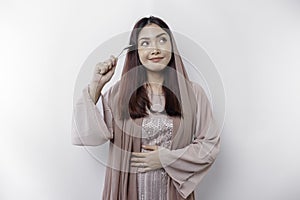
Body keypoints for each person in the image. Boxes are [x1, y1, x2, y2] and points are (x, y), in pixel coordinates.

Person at [72, 16, 220, 200]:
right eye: (145, 43)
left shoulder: (193, 94)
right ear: (136, 51)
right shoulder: (120, 93)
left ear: (172, 47)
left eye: (162, 40)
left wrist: (167, 159)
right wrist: (96, 85)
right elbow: (88, 135)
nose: (155, 49)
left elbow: (209, 144)